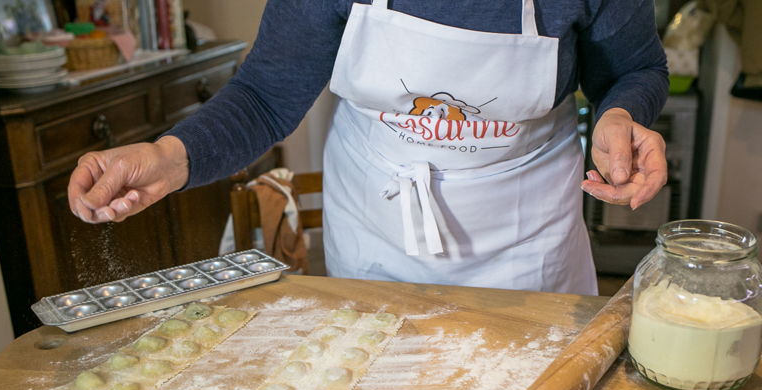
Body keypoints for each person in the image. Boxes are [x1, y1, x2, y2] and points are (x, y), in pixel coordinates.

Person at [68, 0, 668, 295]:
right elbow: (266, 95)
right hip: (377, 228)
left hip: (524, 238)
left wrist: (621, 113)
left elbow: (637, 67)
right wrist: (171, 157)